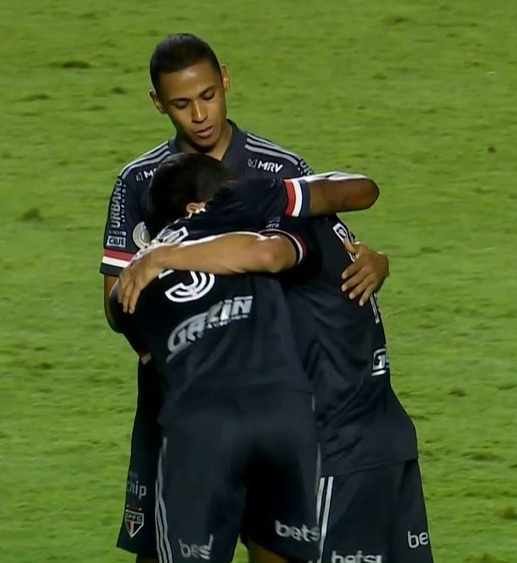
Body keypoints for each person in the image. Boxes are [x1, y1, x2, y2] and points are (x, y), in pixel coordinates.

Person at [99, 33, 389, 561]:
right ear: (158, 103)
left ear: (226, 81)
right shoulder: (139, 182)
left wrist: (374, 261)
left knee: (276, 546)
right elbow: (116, 303)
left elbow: (328, 245)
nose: (200, 115)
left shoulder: (277, 168)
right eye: (182, 104)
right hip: (181, 400)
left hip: (276, 393)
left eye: (208, 96)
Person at [120, 155, 433, 563]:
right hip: (387, 438)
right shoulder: (297, 217)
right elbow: (360, 190)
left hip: (337, 452)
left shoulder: (263, 230)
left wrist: (162, 257)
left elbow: (267, 256)